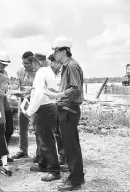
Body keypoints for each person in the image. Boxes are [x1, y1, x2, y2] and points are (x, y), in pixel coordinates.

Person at [45, 36, 85, 191]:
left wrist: (57, 96)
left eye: (55, 50)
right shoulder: (67, 66)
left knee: (71, 146)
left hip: (69, 110)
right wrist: (58, 92)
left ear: (63, 50)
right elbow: (70, 88)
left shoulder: (72, 66)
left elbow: (75, 90)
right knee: (69, 146)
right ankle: (76, 178)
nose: (54, 54)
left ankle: (75, 180)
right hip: (66, 109)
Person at [24, 53, 61, 182]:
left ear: (35, 62)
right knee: (44, 139)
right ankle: (44, 164)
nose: (31, 67)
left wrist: (29, 111)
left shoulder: (41, 72)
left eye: (31, 63)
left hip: (44, 109)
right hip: (49, 108)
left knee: (47, 141)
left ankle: (54, 171)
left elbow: (39, 95)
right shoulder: (48, 71)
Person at [11, 51, 40, 163]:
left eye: (28, 63)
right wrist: (14, 90)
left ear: (33, 61)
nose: (25, 65)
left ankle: (39, 153)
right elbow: (16, 85)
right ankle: (23, 151)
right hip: (23, 103)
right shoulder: (20, 71)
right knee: (22, 128)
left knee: (37, 129)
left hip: (35, 104)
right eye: (24, 63)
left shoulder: (38, 72)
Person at [0, 51, 14, 165]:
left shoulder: (5, 73)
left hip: (5, 103)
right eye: (2, 64)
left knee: (9, 129)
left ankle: (3, 152)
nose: (4, 66)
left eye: (5, 65)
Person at [48, 54, 66, 165]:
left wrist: (54, 91)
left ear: (58, 62)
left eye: (52, 63)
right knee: (57, 132)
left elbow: (65, 89)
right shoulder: (51, 74)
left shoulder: (65, 73)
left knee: (64, 132)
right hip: (55, 105)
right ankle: (62, 155)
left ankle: (66, 157)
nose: (50, 65)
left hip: (63, 105)